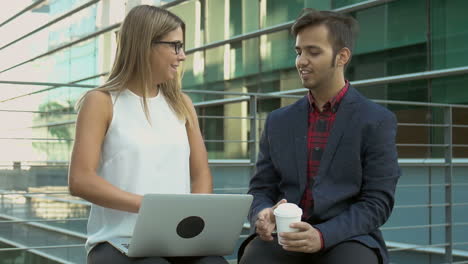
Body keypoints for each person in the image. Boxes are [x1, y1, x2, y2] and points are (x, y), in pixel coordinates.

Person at [68, 5, 228, 264]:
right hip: (118, 240)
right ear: (145, 45)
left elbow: (200, 175)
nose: (182, 55)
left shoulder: (182, 103)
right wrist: (151, 207)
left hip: (177, 239)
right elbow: (80, 180)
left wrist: (192, 219)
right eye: (175, 46)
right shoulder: (101, 101)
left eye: (182, 46)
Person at [239, 8, 400, 264]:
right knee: (254, 259)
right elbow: (261, 188)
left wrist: (322, 235)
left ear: (342, 57)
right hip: (285, 235)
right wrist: (262, 212)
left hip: (347, 237)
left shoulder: (377, 120)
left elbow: (377, 202)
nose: (301, 61)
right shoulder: (278, 121)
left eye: (313, 52)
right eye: (299, 51)